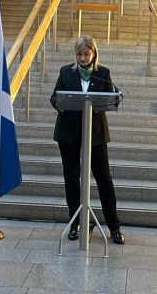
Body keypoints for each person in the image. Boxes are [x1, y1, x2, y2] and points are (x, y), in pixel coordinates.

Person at [50, 35, 125, 245]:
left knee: (104, 178)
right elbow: (55, 96)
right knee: (72, 178)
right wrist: (60, 104)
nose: (83, 58)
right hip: (69, 131)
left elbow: (110, 99)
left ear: (94, 53)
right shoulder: (66, 71)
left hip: (95, 133)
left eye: (86, 54)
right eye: (79, 54)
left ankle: (114, 227)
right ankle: (77, 223)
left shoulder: (103, 74)